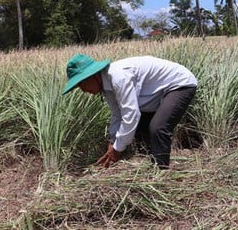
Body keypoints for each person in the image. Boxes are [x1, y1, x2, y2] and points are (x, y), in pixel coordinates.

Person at [62, 54, 197, 169]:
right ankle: (145, 163)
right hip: (155, 94)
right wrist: (113, 141)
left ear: (92, 76)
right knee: (138, 129)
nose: (83, 90)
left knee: (158, 127)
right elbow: (117, 114)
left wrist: (117, 149)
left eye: (81, 84)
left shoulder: (118, 77)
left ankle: (161, 171)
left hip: (179, 84)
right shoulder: (106, 86)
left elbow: (131, 115)